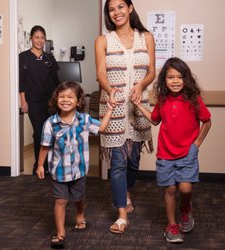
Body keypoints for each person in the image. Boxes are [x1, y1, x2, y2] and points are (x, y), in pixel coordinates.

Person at [133, 57, 211, 243]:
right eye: (170, 77)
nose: (175, 81)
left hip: (187, 153)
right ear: (164, 80)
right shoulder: (162, 99)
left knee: (185, 188)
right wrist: (138, 105)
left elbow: (207, 121)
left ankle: (185, 207)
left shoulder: (193, 99)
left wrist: (197, 143)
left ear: (186, 79)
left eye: (179, 77)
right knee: (169, 189)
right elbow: (154, 119)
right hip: (165, 154)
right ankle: (172, 224)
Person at [95, 0, 156, 234]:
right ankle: (121, 213)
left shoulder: (146, 37)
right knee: (118, 163)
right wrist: (110, 91)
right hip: (114, 108)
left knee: (133, 161)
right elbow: (101, 73)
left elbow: (152, 72)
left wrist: (141, 85)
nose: (116, 12)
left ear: (130, 8)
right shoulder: (103, 41)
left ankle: (127, 192)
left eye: (120, 7)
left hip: (139, 107)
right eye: (111, 9)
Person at [36, 81, 116, 248]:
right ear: (56, 99)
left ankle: (80, 214)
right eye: (62, 96)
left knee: (78, 196)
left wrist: (109, 109)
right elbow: (45, 146)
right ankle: (60, 233)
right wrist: (40, 165)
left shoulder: (84, 120)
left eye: (70, 97)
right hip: (59, 171)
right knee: (60, 201)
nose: (66, 100)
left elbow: (101, 128)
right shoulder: (50, 123)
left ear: (79, 101)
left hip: (79, 170)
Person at [19, 25, 60, 175]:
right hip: (33, 102)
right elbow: (21, 82)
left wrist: (61, 100)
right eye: (37, 37)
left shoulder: (49, 58)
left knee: (51, 132)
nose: (40, 41)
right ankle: (39, 165)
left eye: (42, 38)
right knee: (39, 132)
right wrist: (23, 101)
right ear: (31, 38)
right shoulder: (23, 57)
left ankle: (48, 165)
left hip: (50, 102)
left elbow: (57, 82)